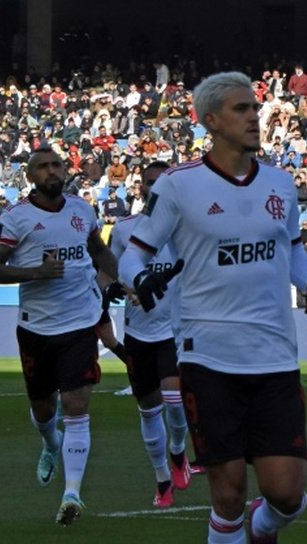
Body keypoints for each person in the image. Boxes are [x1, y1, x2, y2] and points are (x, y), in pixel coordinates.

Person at [118, 72, 307, 544]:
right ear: (210, 121)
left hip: (273, 355)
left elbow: (291, 246)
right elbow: (134, 250)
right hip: (207, 356)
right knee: (227, 492)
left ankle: (264, 535)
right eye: (242, 109)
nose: (254, 117)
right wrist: (139, 279)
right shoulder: (177, 186)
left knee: (287, 493)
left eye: (256, 108)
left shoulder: (281, 184)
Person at [0, 147, 123, 525]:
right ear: (30, 176)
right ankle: (50, 444)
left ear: (66, 170)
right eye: (43, 166)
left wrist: (104, 282)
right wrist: (36, 273)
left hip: (79, 324)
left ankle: (72, 494)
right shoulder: (15, 218)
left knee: (77, 407)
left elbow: (102, 254)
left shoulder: (82, 210)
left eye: (56, 165)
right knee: (44, 410)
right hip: (36, 328)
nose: (51, 171)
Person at [108, 161, 195, 508]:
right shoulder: (123, 229)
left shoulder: (185, 229)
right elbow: (111, 270)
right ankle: (162, 479)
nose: (153, 187)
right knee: (147, 409)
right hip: (138, 333)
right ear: (140, 187)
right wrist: (110, 287)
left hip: (172, 331)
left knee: (173, 400)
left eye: (160, 182)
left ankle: (177, 451)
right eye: (148, 182)